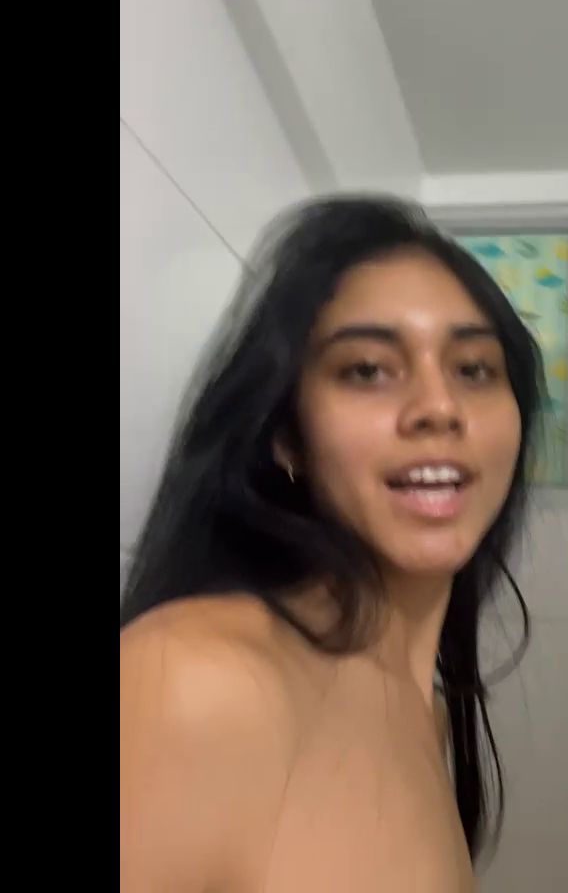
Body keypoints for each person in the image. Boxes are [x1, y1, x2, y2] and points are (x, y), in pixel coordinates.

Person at [119, 196, 545, 892]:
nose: (440, 407)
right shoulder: (194, 683)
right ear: (287, 436)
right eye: (368, 369)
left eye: (474, 369)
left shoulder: (430, 716)